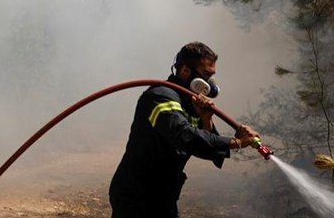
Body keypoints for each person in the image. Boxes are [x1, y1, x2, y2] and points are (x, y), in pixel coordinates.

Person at [108, 42, 260, 217]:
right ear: (185, 71)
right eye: (205, 75)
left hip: (163, 196)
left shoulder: (191, 102)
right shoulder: (161, 96)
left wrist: (206, 119)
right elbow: (183, 135)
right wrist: (237, 142)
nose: (209, 83)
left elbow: (209, 151)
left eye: (211, 76)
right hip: (136, 194)